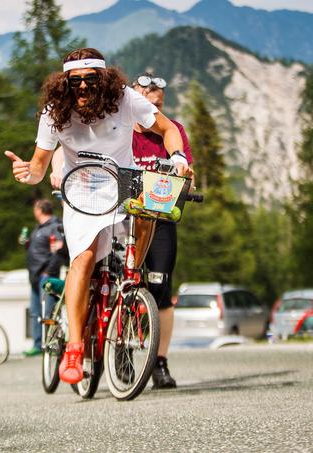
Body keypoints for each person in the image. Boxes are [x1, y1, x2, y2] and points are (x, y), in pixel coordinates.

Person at [5, 47, 192, 385]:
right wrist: (26, 173)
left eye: (90, 81)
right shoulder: (53, 112)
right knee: (85, 258)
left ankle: (132, 280)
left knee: (151, 209)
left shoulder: (125, 99)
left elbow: (168, 129)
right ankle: (75, 346)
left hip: (124, 179)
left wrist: (178, 156)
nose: (83, 88)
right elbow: (37, 167)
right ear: (64, 83)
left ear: (103, 81)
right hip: (84, 185)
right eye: (74, 82)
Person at [132, 73, 194, 389]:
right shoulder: (119, 129)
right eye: (147, 103)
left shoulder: (174, 132)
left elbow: (188, 176)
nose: (153, 112)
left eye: (158, 105)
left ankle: (159, 361)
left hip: (160, 218)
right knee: (114, 278)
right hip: (122, 217)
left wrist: (185, 174)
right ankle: (119, 353)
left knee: (161, 288)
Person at [20, 199, 65, 357]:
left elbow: (57, 251)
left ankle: (52, 343)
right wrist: (27, 244)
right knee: (35, 312)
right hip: (34, 275)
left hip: (45, 275)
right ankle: (38, 344)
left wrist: (49, 271)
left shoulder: (54, 226)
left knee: (48, 312)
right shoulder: (38, 228)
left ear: (40, 210)